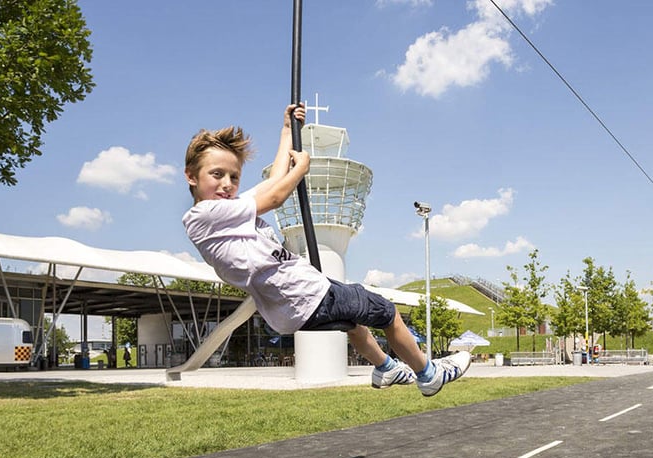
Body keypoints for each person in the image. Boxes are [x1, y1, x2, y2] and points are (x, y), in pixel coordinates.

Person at [182, 103, 469, 396]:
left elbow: (272, 182)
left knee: (355, 325)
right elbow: (277, 195)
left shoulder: (228, 210)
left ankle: (386, 368)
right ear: (191, 176)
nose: (227, 184)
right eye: (216, 175)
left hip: (293, 303)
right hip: (303, 293)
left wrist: (286, 131)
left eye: (234, 177)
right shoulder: (205, 215)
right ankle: (429, 374)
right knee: (387, 312)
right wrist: (302, 169)